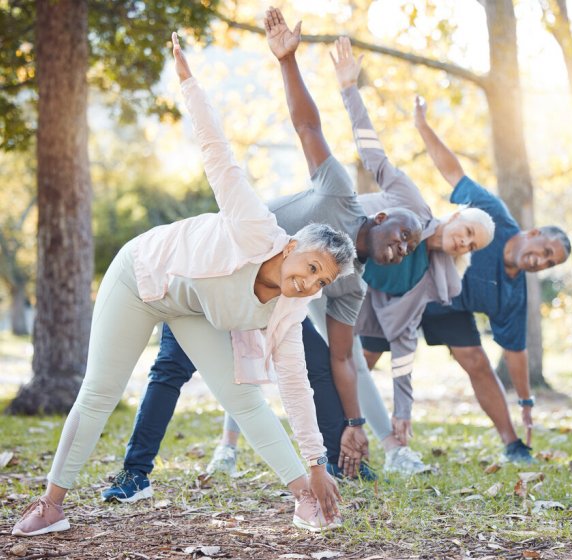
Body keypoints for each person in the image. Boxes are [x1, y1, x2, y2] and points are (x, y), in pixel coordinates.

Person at [12, 32, 355, 537]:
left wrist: (317, 463)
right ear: (290, 248)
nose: (307, 283)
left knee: (245, 401)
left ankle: (304, 498)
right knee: (100, 391)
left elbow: (296, 386)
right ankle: (51, 504)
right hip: (141, 275)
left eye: (320, 280)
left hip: (190, 309)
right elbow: (219, 155)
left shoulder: (288, 309)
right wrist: (190, 84)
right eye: (309, 266)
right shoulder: (255, 227)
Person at [100, 7, 425, 505]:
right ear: (383, 218)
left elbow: (343, 360)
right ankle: (134, 473)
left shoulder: (350, 285)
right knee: (171, 368)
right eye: (405, 233)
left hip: (269, 312)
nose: (404, 247)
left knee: (314, 360)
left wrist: (355, 424)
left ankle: (336, 464)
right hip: (215, 278)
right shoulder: (341, 193)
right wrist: (287, 61)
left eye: (410, 250)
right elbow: (308, 128)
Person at [361, 94, 572, 464]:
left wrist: (525, 401)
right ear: (534, 233)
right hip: (414, 282)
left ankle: (512, 444)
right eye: (546, 250)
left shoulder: (514, 293)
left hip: (448, 305)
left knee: (476, 359)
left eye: (550, 263)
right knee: (365, 357)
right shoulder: (493, 216)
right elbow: (452, 172)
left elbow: (516, 352)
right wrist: (423, 127)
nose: (542, 261)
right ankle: (337, 425)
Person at [328, 37, 495, 475]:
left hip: (353, 301)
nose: (466, 243)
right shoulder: (410, 204)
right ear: (456, 215)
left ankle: (379, 448)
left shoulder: (430, 280)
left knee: (351, 367)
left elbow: (404, 346)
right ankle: (231, 443)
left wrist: (406, 409)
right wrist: (349, 90)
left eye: (473, 245)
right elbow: (372, 152)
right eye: (468, 231)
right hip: (327, 254)